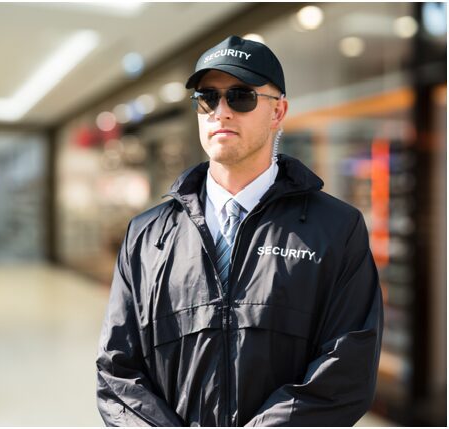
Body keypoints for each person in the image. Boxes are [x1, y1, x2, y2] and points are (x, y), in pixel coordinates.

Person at [96, 35, 383, 427]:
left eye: (241, 96)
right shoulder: (146, 236)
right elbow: (118, 375)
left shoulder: (335, 229)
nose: (221, 111)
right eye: (207, 97)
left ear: (278, 112)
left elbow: (346, 371)